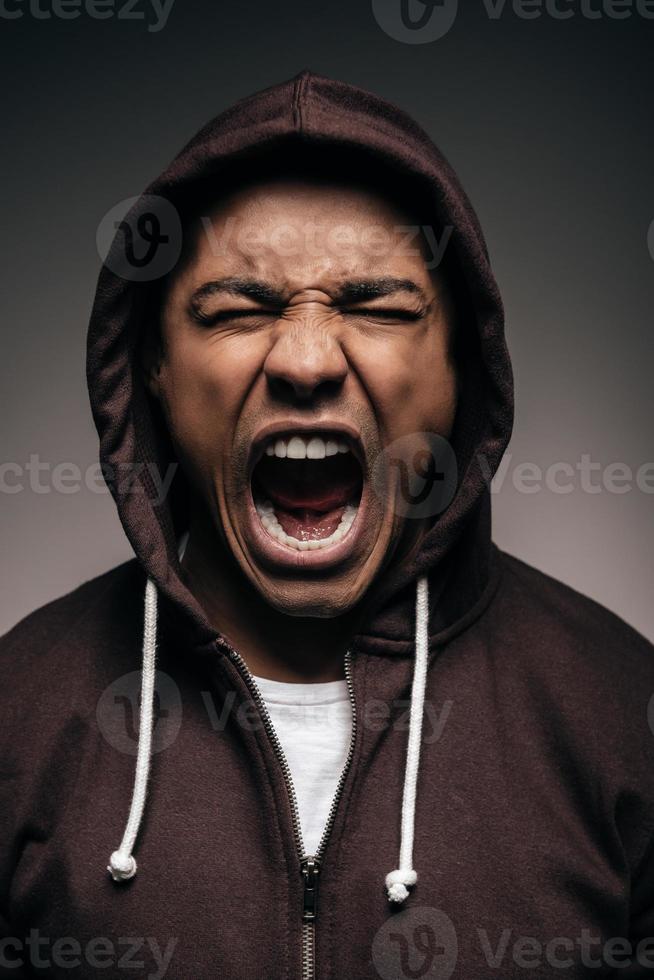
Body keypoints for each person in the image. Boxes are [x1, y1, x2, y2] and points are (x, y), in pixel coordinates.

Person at [1, 70, 653, 980]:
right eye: (239, 309)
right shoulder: (17, 718)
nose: (306, 360)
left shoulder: (624, 716)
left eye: (377, 306)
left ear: (465, 364)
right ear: (152, 363)